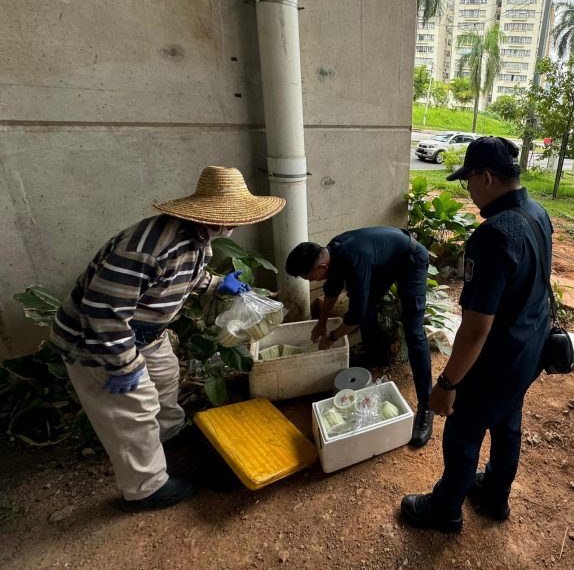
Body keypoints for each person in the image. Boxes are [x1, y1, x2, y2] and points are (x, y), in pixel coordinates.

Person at [48, 166, 285, 511]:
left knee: (164, 377)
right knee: (134, 410)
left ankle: (169, 435)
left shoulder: (195, 237)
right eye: (234, 217)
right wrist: (123, 366)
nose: (237, 224)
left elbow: (185, 276)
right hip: (100, 341)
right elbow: (103, 312)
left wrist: (219, 284)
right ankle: (145, 488)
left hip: (147, 333)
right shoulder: (145, 249)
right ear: (211, 215)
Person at [400, 137, 552, 532]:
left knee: (463, 434)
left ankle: (445, 509)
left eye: (468, 180)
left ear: (487, 177)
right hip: (528, 349)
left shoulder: (495, 234)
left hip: (494, 360)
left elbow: (476, 327)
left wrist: (448, 382)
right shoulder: (538, 213)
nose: (467, 190)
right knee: (507, 423)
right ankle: (495, 495)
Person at [285, 228, 434, 447]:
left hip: (411, 259)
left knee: (414, 331)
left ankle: (426, 407)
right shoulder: (332, 252)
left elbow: (354, 318)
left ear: (321, 267)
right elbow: (332, 291)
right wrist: (322, 322)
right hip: (387, 261)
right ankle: (376, 357)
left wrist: (332, 337)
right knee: (367, 307)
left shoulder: (353, 260)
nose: (309, 281)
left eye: (308, 277)